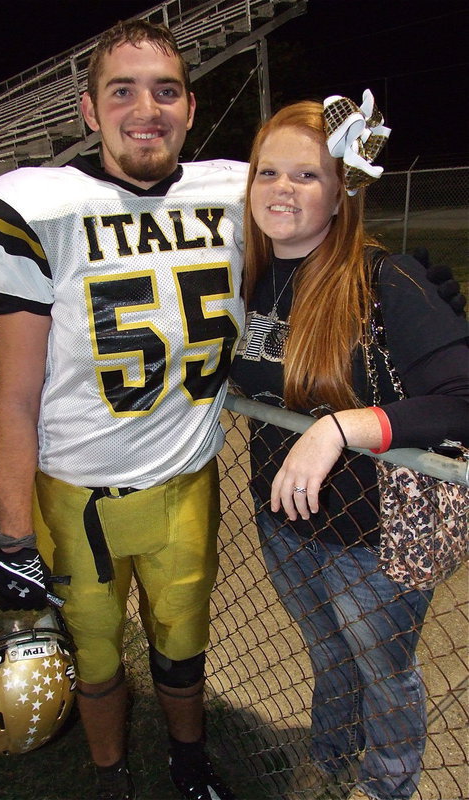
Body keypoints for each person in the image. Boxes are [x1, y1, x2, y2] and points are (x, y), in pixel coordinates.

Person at [0, 19, 246, 800]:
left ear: (189, 108)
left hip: (188, 483)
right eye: (121, 91)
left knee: (184, 653)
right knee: (95, 659)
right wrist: (14, 536)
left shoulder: (235, 195)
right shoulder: (46, 209)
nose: (145, 109)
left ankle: (190, 770)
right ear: (89, 112)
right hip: (77, 500)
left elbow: (325, 237)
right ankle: (111, 777)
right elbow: (15, 398)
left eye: (165, 91)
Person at [230, 92, 468, 800]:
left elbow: (461, 399)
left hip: (370, 539)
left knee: (383, 672)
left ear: (342, 190)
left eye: (306, 175)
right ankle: (330, 762)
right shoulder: (252, 276)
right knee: (329, 655)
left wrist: (341, 426)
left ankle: (387, 784)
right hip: (285, 528)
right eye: (267, 173)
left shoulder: (383, 277)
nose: (281, 190)